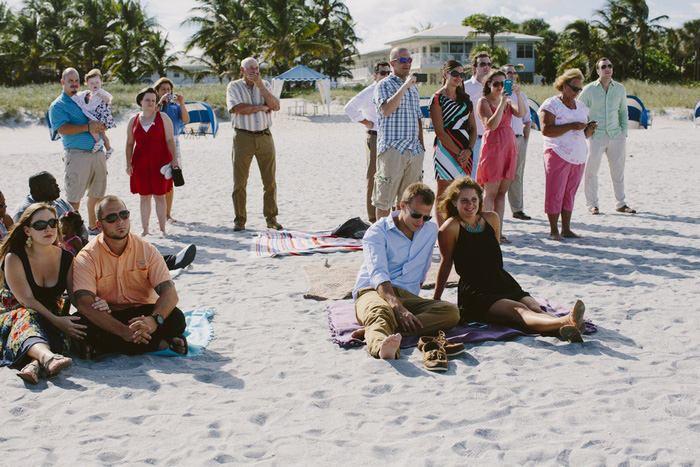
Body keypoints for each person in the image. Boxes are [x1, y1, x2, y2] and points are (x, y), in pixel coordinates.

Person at [433, 178, 587, 343]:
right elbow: (446, 263)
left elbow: (493, 253)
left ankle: (566, 328)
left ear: (480, 200)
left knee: (535, 307)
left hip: (501, 280)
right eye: (464, 200)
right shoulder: (450, 228)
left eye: (474, 199)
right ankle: (565, 322)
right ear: (454, 202)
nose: (470, 204)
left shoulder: (492, 219)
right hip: (476, 291)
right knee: (519, 310)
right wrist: (436, 299)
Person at [0, 203, 109, 385]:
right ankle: (49, 358)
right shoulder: (15, 257)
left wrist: (98, 302)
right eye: (40, 225)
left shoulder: (66, 258)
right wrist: (57, 321)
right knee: (29, 318)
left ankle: (35, 362)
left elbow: (76, 297)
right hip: (14, 317)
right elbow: (26, 300)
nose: (48, 229)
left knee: (71, 324)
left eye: (52, 223)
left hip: (51, 317)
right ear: (27, 231)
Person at [353, 183, 460, 360]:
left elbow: (424, 267)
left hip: (407, 295)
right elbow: (378, 274)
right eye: (416, 215)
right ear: (402, 205)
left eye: (427, 217)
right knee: (380, 310)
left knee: (450, 312)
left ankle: (379, 328)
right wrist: (397, 306)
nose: (421, 222)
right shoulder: (377, 232)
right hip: (373, 291)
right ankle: (382, 347)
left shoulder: (430, 230)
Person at [72, 196, 188, 356]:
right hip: (109, 316)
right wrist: (122, 331)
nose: (120, 221)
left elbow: (170, 293)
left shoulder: (147, 250)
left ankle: (107, 347)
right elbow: (84, 303)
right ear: (99, 225)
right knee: (80, 324)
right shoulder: (87, 256)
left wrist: (153, 321)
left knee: (176, 318)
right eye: (112, 218)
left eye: (124, 215)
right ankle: (161, 343)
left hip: (144, 314)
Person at [539, 69, 598, 241]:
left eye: (579, 89)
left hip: (578, 155)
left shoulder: (581, 106)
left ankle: (566, 228)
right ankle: (553, 230)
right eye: (574, 89)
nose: (577, 92)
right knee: (554, 192)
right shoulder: (551, 105)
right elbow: (546, 130)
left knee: (569, 193)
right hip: (557, 152)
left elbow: (583, 134)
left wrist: (590, 129)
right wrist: (572, 125)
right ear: (564, 87)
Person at [48, 67, 108, 235]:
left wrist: (102, 125)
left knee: (97, 194)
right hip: (76, 155)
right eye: (70, 81)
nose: (74, 84)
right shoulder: (58, 105)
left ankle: (93, 228)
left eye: (76, 81)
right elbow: (61, 128)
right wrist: (88, 127)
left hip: (98, 153)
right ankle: (71, 233)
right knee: (74, 199)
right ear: (62, 82)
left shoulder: (85, 98)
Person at [227, 57, 282, 231]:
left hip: (265, 136)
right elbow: (238, 108)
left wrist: (261, 87)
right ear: (242, 70)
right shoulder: (234, 86)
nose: (254, 71)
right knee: (240, 181)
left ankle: (271, 219)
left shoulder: (264, 84)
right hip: (243, 137)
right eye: (250, 68)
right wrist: (260, 107)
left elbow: (275, 105)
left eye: (256, 68)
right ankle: (240, 220)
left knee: (270, 181)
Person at [373, 47, 425, 220]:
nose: (407, 64)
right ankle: (381, 238)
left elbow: (419, 117)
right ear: (393, 63)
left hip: (414, 149)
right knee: (384, 199)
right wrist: (405, 86)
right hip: (392, 149)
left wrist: (421, 146)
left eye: (409, 60)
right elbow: (386, 110)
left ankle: (400, 236)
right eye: (403, 60)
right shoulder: (384, 85)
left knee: (408, 200)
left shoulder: (413, 88)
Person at [579, 57, 635, 215]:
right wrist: (587, 128)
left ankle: (621, 203)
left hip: (616, 134)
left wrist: (624, 132)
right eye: (603, 66)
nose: (607, 69)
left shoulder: (620, 89)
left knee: (618, 171)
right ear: (598, 70)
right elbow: (579, 109)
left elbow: (623, 111)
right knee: (591, 172)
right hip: (596, 136)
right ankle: (592, 205)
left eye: (610, 66)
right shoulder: (589, 89)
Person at [476, 70, 526, 243]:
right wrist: (502, 102)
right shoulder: (483, 101)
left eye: (502, 83)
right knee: (489, 193)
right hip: (493, 148)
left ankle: (498, 232)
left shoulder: (509, 101)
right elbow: (492, 124)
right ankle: (485, 232)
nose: (499, 87)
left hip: (509, 148)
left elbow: (522, 113)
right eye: (495, 83)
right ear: (488, 84)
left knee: (502, 193)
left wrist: (517, 94)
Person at [126, 87, 179, 236]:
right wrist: (128, 163)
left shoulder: (163, 117)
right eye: (147, 100)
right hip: (140, 162)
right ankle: (145, 229)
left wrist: (174, 160)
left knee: (160, 196)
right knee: (144, 197)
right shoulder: (133, 119)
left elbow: (170, 140)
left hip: (160, 162)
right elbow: (129, 143)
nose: (150, 103)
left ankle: (162, 229)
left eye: (153, 100)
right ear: (141, 101)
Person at [343, 61, 392, 223]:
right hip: (375, 136)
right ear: (375, 75)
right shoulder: (369, 91)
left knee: (389, 176)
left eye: (388, 73)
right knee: (373, 177)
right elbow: (349, 108)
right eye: (383, 73)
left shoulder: (392, 89)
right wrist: (365, 122)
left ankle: (387, 212)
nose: (386, 76)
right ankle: (372, 216)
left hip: (390, 137)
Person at [429, 60, 476, 226]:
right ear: (445, 74)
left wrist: (469, 150)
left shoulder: (465, 99)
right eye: (455, 73)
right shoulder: (437, 98)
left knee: (463, 192)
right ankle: (443, 230)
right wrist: (458, 153)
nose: (458, 77)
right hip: (445, 149)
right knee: (443, 191)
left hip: (466, 150)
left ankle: (460, 227)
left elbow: (473, 129)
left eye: (462, 74)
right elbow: (440, 132)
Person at [154, 77, 190, 223]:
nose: (167, 92)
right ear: (157, 91)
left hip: (173, 141)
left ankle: (167, 214)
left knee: (171, 177)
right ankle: (160, 213)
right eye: (163, 89)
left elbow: (186, 120)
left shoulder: (175, 107)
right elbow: (151, 116)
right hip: (157, 142)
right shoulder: (155, 105)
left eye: (169, 90)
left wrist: (182, 104)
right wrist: (160, 102)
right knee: (157, 179)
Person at [501, 65, 533, 221]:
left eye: (514, 73)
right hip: (502, 139)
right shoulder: (497, 95)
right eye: (508, 73)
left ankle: (517, 209)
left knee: (517, 175)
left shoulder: (522, 95)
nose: (512, 76)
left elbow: (527, 119)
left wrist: (525, 140)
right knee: (499, 175)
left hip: (519, 139)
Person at [71, 69, 116, 156]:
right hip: (97, 115)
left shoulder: (100, 91)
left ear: (101, 82)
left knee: (92, 127)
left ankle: (98, 141)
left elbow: (108, 100)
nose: (95, 85)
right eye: (92, 83)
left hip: (100, 116)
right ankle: (109, 148)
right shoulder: (89, 93)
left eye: (97, 82)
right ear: (87, 84)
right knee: (103, 133)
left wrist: (102, 96)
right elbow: (81, 97)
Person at [463, 52, 492, 179]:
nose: (486, 67)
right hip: (474, 141)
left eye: (489, 64)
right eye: (483, 64)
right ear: (474, 68)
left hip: (492, 140)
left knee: (490, 180)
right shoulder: (465, 87)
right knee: (473, 178)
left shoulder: (495, 87)